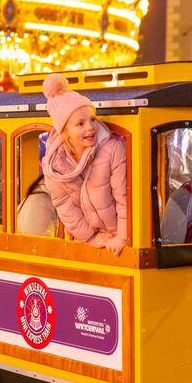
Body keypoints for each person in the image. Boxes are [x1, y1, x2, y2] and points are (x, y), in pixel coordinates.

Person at [40, 74, 127, 256]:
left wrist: (122, 236)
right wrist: (90, 238)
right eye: (80, 124)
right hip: (93, 240)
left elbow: (124, 196)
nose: (90, 127)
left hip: (122, 239)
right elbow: (64, 205)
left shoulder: (111, 149)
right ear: (65, 132)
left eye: (92, 119)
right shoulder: (55, 165)